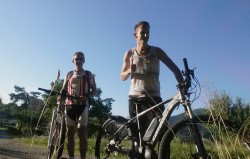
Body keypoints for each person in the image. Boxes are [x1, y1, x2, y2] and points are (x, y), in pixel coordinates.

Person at [120, 21, 184, 153]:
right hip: (135, 99)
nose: (145, 35)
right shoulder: (129, 53)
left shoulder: (157, 52)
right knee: (137, 140)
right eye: (142, 32)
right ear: (135, 35)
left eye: (147, 32)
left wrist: (182, 84)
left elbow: (175, 69)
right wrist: (129, 71)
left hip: (154, 99)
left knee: (162, 136)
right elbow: (122, 76)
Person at [58, 51, 97, 159]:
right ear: (73, 61)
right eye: (76, 59)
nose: (78, 61)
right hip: (69, 105)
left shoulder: (89, 74)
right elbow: (64, 89)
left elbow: (94, 90)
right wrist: (60, 98)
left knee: (82, 133)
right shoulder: (69, 74)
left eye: (81, 59)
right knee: (69, 133)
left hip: (83, 106)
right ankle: (72, 157)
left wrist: (87, 96)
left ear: (84, 61)